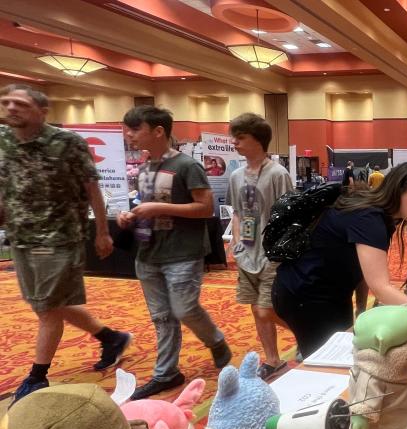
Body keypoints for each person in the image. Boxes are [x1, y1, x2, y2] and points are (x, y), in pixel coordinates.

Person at [0, 84, 133, 400]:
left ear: (42, 111)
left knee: (48, 310)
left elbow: (92, 189)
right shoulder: (3, 141)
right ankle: (110, 337)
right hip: (21, 237)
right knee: (48, 305)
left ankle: (37, 376)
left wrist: (102, 232)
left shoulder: (68, 143)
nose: (11, 108)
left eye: (20, 103)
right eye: (6, 102)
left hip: (60, 237)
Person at [118, 106, 231, 399]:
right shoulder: (143, 167)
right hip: (148, 252)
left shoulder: (186, 166)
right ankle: (166, 373)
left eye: (135, 129)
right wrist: (130, 216)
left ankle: (216, 341)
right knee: (161, 317)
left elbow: (205, 208)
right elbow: (146, 204)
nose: (129, 135)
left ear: (158, 131)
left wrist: (158, 208)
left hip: (182, 252)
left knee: (184, 309)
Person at [273, 162, 407, 356]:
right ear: (398, 191)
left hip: (328, 294)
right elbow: (381, 287)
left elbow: (363, 269)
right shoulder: (369, 218)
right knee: (329, 362)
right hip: (305, 295)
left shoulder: (379, 215)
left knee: (344, 351)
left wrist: (361, 309)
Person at [227, 113, 292, 380]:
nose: (235, 143)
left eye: (241, 138)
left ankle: (308, 333)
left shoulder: (277, 174)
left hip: (272, 252)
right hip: (247, 252)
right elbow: (238, 212)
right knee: (256, 308)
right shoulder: (236, 176)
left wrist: (282, 250)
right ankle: (273, 359)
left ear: (258, 141)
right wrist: (236, 241)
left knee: (266, 309)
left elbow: (289, 214)